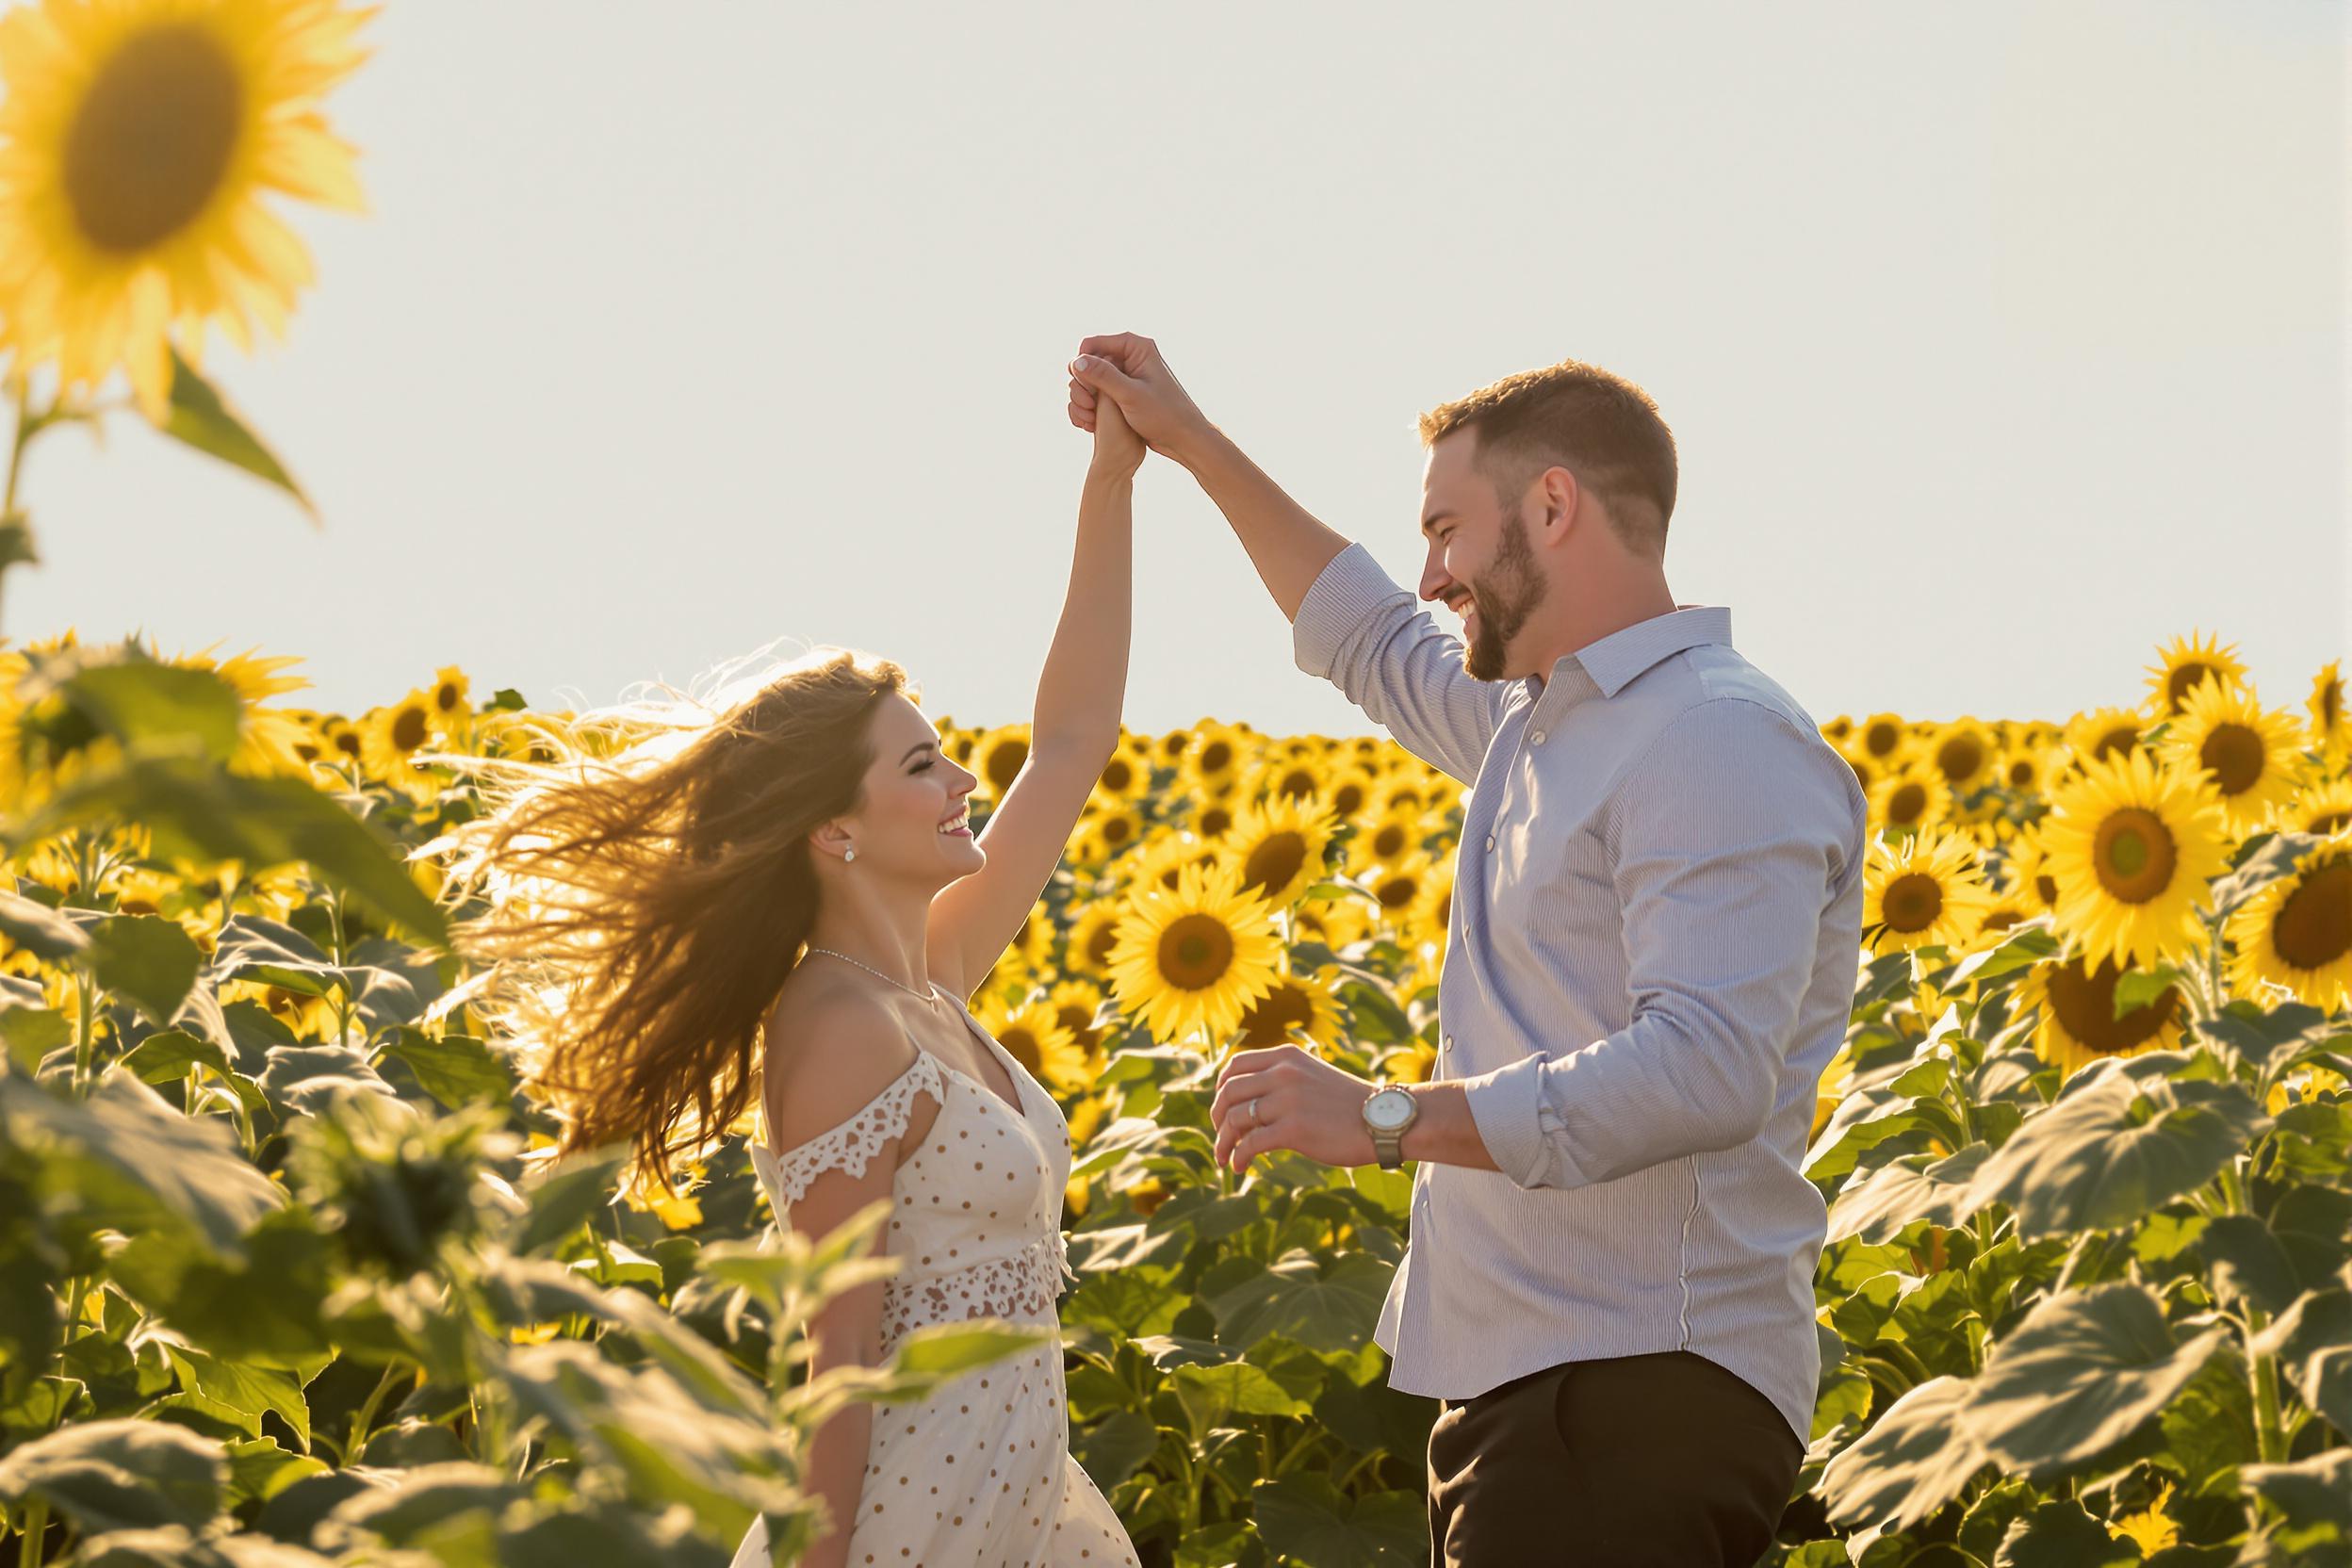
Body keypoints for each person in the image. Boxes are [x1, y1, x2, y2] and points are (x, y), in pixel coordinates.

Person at [1066, 339, 1869, 1568]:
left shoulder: (1714, 736)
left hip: (1633, 1386)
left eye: (1448, 529)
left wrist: (1383, 1119)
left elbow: (1707, 1069)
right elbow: (1371, 635)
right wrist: (1188, 442)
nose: (1434, 573)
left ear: (1553, 506)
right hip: (1534, 1393)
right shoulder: (1540, 729)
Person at [433, 385, 1152, 1566]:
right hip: (918, 1523)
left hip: (1027, 1500)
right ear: (836, 827)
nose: (965, 780)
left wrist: (1111, 483)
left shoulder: (936, 983)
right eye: (924, 764)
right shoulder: (837, 1028)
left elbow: (1073, 739)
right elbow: (843, 1362)